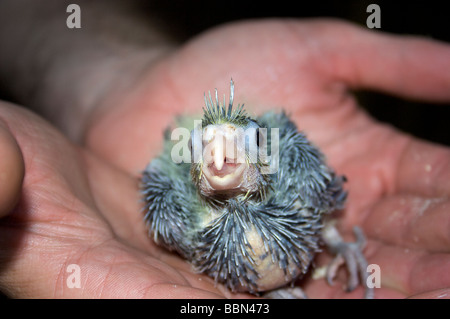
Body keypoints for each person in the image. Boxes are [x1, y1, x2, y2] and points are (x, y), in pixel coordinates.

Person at [0, 0, 449, 298]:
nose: (219, 155)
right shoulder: (179, 215)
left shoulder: (299, 183)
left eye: (240, 144)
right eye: (204, 149)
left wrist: (335, 240)